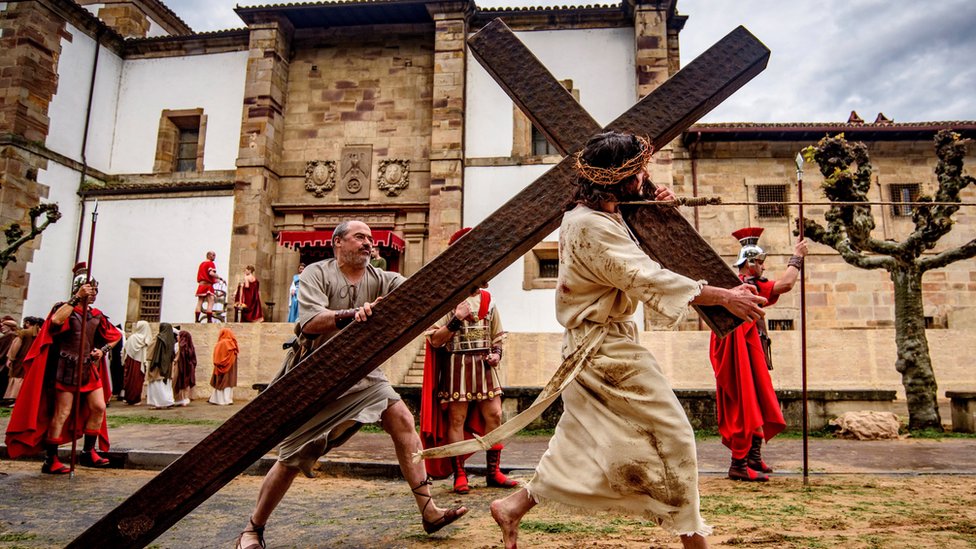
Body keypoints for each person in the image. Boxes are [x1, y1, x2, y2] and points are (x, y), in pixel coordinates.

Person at [486, 131, 767, 549]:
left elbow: (638, 252)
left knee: (578, 442)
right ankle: (694, 541)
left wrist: (658, 209)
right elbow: (644, 276)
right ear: (621, 177)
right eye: (639, 170)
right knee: (674, 435)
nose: (646, 176)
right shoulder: (590, 226)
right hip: (603, 352)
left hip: (600, 343)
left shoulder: (605, 214)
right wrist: (724, 295)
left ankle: (513, 507)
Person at [235, 220, 466, 549]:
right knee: (292, 457)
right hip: (316, 375)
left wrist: (455, 288)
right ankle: (253, 528)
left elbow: (418, 290)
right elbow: (311, 322)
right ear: (338, 243)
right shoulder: (317, 273)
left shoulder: (381, 278)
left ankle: (429, 511)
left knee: (402, 419)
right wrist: (352, 314)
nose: (368, 243)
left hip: (363, 373)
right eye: (360, 237)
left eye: (371, 239)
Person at [421, 227, 517, 494]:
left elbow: (497, 336)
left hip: (484, 368)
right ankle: (459, 474)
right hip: (456, 367)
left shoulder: (488, 300)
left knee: (495, 415)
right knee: (456, 420)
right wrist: (456, 317)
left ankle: (493, 472)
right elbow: (436, 340)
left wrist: (496, 354)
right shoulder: (446, 301)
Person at [709, 228, 807, 482]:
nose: (763, 267)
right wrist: (797, 257)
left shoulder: (739, 286)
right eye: (761, 263)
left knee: (758, 401)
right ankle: (739, 464)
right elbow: (785, 284)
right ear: (750, 264)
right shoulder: (748, 286)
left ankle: (752, 456)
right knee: (745, 404)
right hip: (739, 353)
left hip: (749, 350)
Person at [4, 265, 122, 474]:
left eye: (95, 289)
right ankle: (52, 459)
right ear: (80, 288)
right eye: (90, 288)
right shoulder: (65, 308)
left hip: (87, 367)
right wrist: (76, 298)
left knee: (98, 407)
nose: (93, 292)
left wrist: (102, 350)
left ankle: (88, 451)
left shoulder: (96, 314)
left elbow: (115, 336)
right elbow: (56, 322)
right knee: (62, 413)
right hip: (66, 367)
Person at [3, 316, 43, 404]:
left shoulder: (24, 333)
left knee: (16, 378)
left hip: (20, 360)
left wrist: (11, 358)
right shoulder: (40, 334)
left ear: (28, 323)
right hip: (32, 361)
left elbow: (15, 346)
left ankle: (11, 399)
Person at [145, 323, 177, 409]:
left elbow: (149, 351)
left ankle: (158, 403)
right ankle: (168, 401)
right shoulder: (171, 340)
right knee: (166, 385)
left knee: (157, 384)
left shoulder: (158, 339)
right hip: (168, 367)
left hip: (157, 366)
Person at [122, 320, 152, 405]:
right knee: (137, 380)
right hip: (139, 363)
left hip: (130, 362)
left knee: (130, 379)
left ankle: (128, 397)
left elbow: (125, 350)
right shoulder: (146, 338)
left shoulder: (132, 337)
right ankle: (135, 399)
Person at [208, 327, 238, 405]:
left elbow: (216, 356)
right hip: (230, 367)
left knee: (220, 381)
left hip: (220, 367)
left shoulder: (221, 343)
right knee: (228, 382)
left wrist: (218, 363)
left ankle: (219, 400)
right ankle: (227, 400)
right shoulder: (233, 343)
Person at [195, 251, 225, 323]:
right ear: (209, 256)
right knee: (211, 301)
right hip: (208, 286)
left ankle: (197, 320)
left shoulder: (202, 264)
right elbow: (211, 273)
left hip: (201, 285)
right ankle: (209, 320)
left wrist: (216, 280)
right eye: (213, 255)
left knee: (200, 302)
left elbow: (205, 276)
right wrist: (218, 277)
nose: (214, 257)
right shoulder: (210, 263)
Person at [173, 330, 197, 407]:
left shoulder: (179, 345)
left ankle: (179, 399)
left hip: (180, 367)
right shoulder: (190, 346)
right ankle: (185, 399)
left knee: (178, 382)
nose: (177, 337)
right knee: (186, 384)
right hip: (189, 368)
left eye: (179, 335)